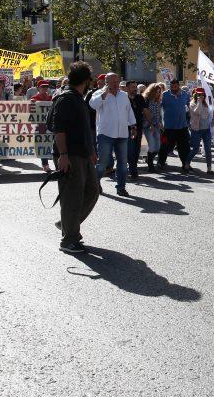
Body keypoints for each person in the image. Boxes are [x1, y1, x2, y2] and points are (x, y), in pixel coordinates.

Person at [49, 62, 99, 254]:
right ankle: (69, 240)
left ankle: (67, 223)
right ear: (87, 81)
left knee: (92, 191)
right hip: (69, 155)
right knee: (72, 197)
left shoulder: (78, 98)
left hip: (83, 153)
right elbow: (58, 129)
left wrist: (91, 151)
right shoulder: (66, 98)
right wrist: (63, 155)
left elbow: (84, 129)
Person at [89, 72, 136, 197]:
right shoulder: (99, 93)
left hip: (122, 134)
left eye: (117, 82)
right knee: (103, 163)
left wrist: (133, 126)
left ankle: (121, 187)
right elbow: (92, 105)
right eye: (112, 82)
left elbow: (129, 111)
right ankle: (95, 183)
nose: (115, 84)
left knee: (122, 162)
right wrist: (105, 94)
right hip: (106, 133)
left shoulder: (124, 95)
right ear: (106, 82)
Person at [157, 79, 192, 173]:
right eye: (171, 86)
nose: (173, 88)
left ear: (178, 86)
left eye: (175, 86)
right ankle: (161, 162)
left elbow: (189, 105)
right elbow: (158, 107)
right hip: (169, 127)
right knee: (166, 146)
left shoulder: (185, 94)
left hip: (182, 126)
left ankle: (185, 164)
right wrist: (159, 121)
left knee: (184, 147)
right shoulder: (164, 94)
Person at [188, 88, 214, 175]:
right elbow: (198, 112)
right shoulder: (192, 103)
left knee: (208, 149)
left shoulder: (206, 103)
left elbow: (208, 114)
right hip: (197, 129)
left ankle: (209, 169)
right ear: (195, 95)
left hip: (206, 129)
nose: (201, 96)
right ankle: (187, 163)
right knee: (195, 149)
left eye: (202, 95)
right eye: (199, 94)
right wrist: (199, 102)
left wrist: (213, 119)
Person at [30, 81, 55, 172]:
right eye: (42, 87)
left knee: (51, 142)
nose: (44, 89)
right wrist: (32, 104)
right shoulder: (34, 98)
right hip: (39, 125)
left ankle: (53, 161)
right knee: (42, 143)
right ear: (38, 88)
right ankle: (45, 164)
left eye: (46, 87)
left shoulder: (51, 98)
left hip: (49, 124)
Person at [125, 80, 147, 180]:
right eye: (133, 87)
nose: (135, 88)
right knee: (130, 149)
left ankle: (133, 167)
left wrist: (151, 123)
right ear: (127, 88)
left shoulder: (140, 98)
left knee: (137, 149)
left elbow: (145, 110)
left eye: (135, 87)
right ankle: (133, 170)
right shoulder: (123, 98)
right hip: (126, 128)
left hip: (138, 127)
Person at [142, 83, 164, 172]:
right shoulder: (146, 100)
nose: (157, 93)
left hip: (156, 125)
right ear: (151, 91)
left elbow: (159, 113)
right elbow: (145, 113)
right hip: (148, 125)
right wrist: (150, 124)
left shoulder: (158, 101)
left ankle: (148, 159)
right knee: (151, 146)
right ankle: (150, 166)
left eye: (159, 92)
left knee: (158, 147)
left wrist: (160, 122)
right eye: (156, 91)